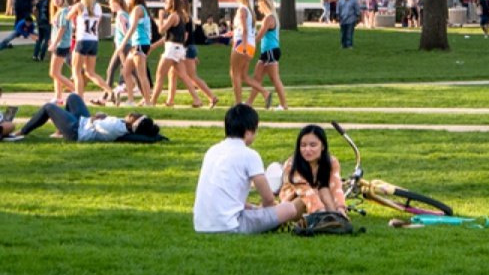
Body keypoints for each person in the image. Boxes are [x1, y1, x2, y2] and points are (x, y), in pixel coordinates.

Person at [193, 103, 307, 234]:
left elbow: (230, 198)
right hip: (231, 225)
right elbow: (268, 199)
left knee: (252, 208)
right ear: (248, 132)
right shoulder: (249, 155)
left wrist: (254, 208)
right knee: (289, 209)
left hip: (201, 225)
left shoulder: (212, 151)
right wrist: (266, 210)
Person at [3, 92, 159, 142]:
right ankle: (59, 131)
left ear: (134, 124)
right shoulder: (122, 125)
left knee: (48, 107)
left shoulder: (116, 128)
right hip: (83, 122)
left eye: (134, 116)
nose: (132, 114)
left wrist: (96, 117)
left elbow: (95, 125)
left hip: (77, 130)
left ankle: (22, 132)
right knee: (73, 97)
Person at [279, 124, 348, 215]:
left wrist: (340, 208)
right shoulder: (291, 164)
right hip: (295, 200)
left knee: (324, 190)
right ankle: (324, 218)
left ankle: (335, 217)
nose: (307, 149)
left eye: (313, 145)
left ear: (323, 146)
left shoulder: (331, 162)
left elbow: (336, 187)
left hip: (319, 197)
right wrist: (320, 211)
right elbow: (305, 191)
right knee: (314, 193)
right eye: (303, 145)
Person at [251, 0, 290, 111]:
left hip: (270, 51)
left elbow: (260, 35)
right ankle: (249, 102)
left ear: (264, 5)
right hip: (266, 52)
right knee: (257, 78)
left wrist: (248, 44)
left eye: (259, 6)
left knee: (275, 79)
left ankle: (284, 105)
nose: (258, 9)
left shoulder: (269, 18)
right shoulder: (270, 17)